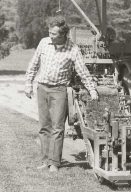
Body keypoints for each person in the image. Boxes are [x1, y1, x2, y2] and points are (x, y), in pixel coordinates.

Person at [25, 15, 98, 172]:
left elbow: (83, 72)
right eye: (50, 32)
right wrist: (28, 85)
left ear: (64, 35)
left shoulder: (73, 49)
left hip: (59, 91)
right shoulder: (44, 43)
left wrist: (92, 90)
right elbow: (34, 64)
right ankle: (45, 160)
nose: (50, 36)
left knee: (57, 127)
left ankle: (54, 163)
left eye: (54, 34)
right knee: (44, 126)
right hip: (42, 88)